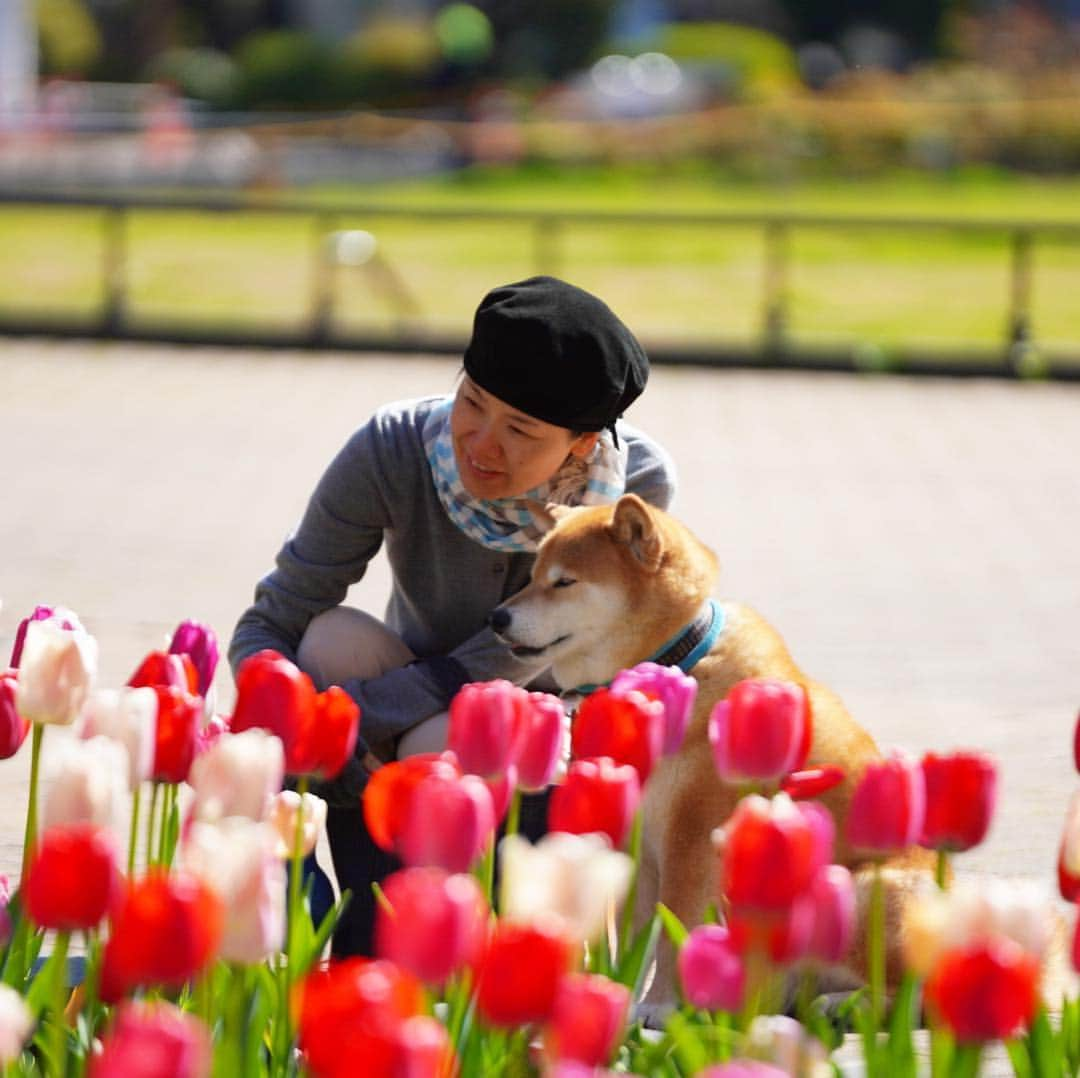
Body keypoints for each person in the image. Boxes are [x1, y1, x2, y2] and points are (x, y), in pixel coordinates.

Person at [228, 275, 677, 956]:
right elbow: (274, 619)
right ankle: (345, 903)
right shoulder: (394, 446)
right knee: (330, 639)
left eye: (520, 430)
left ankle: (450, 938)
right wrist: (291, 729)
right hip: (412, 691)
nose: (480, 443)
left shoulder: (633, 490)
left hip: (548, 725)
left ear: (582, 444)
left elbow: (520, 655)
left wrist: (361, 712)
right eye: (472, 401)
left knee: (442, 737)